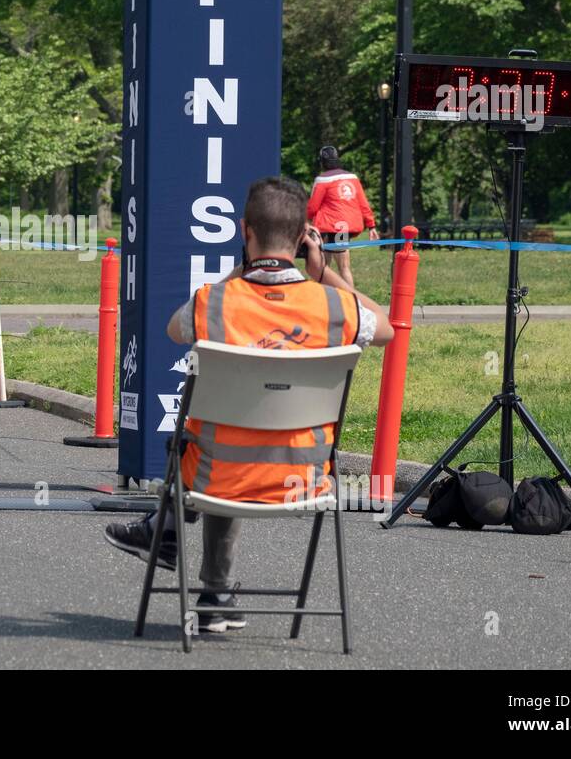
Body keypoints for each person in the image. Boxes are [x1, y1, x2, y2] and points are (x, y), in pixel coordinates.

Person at [104, 176, 393, 633]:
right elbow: (388, 329)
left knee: (201, 433)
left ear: (244, 231)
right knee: (218, 438)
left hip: (216, 476)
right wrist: (322, 273)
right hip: (305, 478)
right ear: (303, 238)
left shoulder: (214, 304)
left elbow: (173, 330)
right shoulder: (334, 309)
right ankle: (213, 593)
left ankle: (168, 531)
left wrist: (239, 273)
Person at [306, 146, 379, 288]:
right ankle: (325, 297)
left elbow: (313, 207)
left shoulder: (322, 180)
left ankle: (352, 300)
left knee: (342, 267)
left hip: (335, 226)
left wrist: (305, 221)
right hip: (344, 226)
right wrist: (371, 226)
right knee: (324, 265)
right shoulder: (352, 178)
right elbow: (363, 203)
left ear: (322, 161)